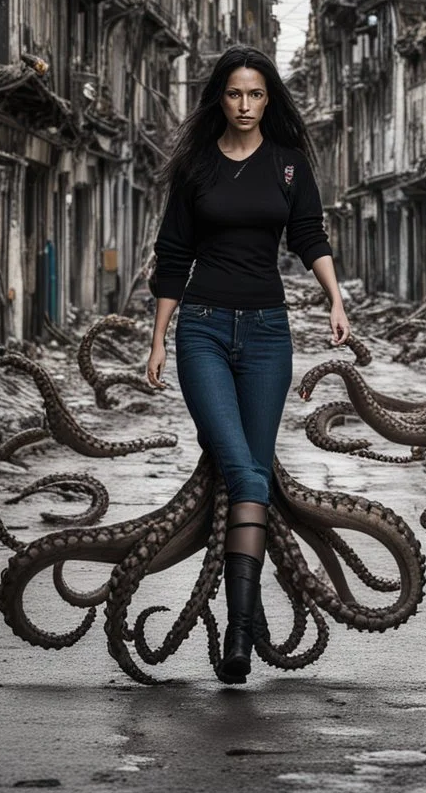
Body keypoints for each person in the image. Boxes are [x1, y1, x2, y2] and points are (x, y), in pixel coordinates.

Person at [146, 46, 349, 685]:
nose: (244, 105)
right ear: (220, 98)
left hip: (267, 334)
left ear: (269, 100)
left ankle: (243, 616)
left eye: (255, 94)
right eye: (234, 93)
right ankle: (242, 629)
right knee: (242, 470)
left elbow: (309, 235)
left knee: (252, 475)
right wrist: (159, 339)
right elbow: (173, 255)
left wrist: (335, 298)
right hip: (203, 329)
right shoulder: (196, 166)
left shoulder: (288, 165)